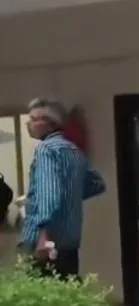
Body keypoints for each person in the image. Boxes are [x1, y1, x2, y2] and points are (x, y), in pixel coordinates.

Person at [19, 97, 106, 279]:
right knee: (66, 289)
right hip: (70, 241)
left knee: (41, 293)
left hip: (46, 242)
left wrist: (42, 234)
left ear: (48, 123)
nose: (28, 124)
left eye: (33, 119)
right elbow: (97, 184)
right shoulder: (73, 150)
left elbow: (49, 193)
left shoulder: (46, 150)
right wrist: (69, 193)